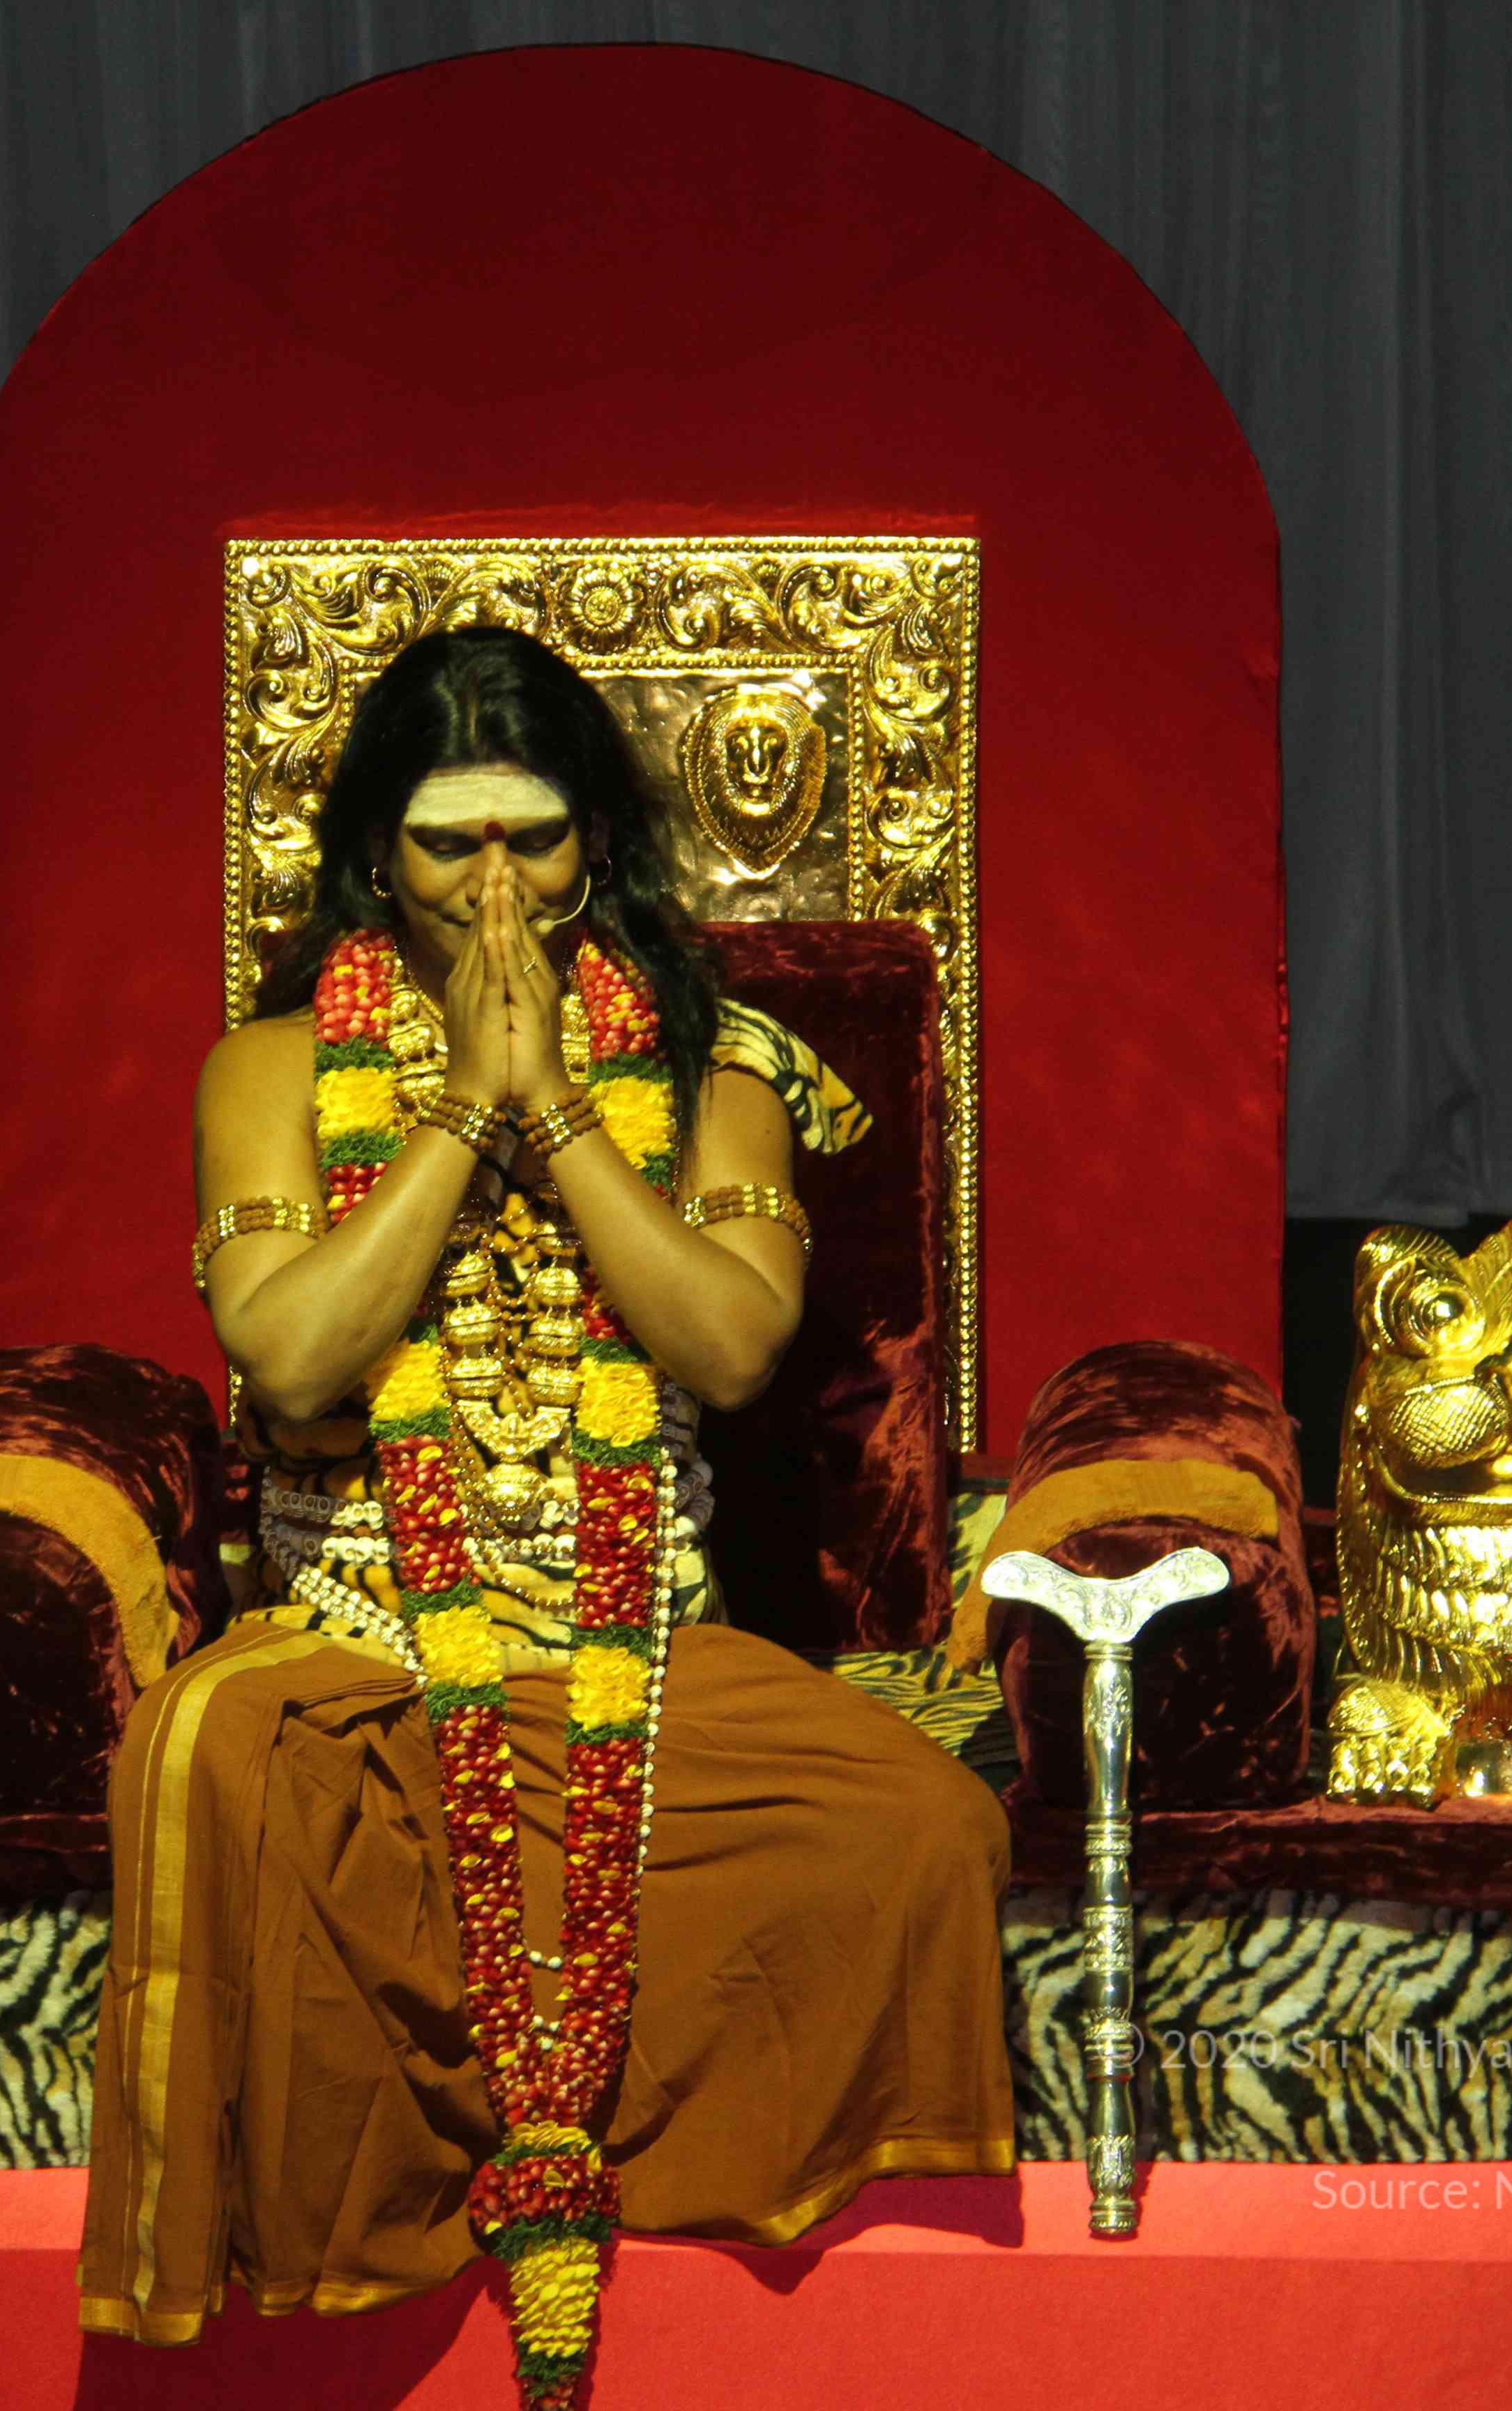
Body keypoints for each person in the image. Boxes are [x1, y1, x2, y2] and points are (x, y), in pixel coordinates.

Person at [78, 629, 1011, 2403]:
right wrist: (455, 1118)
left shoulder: (719, 1066)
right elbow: (294, 1362)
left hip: (637, 1655)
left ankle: (623, 2170)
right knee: (199, 1756)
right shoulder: (273, 1068)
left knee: (927, 1832)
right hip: (362, 1644)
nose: (495, 884)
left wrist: (564, 1115)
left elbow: (729, 1348)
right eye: (451, 843)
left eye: (535, 836)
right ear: (378, 854)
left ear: (601, 842)